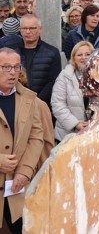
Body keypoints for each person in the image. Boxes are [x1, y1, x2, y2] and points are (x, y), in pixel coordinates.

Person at [0, 47, 45, 232]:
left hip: (16, 186)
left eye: (16, 67)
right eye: (6, 67)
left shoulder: (29, 98)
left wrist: (25, 172)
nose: (12, 72)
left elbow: (36, 137)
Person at [12, 14, 62, 107]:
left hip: (43, 105)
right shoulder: (12, 52)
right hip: (17, 104)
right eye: (24, 28)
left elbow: (53, 81)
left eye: (32, 28)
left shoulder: (52, 52)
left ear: (40, 29)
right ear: (20, 30)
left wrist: (36, 101)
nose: (28, 31)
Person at [50, 41, 93, 142]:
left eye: (88, 54)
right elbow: (57, 104)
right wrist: (75, 124)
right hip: (68, 136)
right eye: (79, 55)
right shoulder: (64, 76)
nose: (84, 58)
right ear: (73, 58)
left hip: (93, 134)